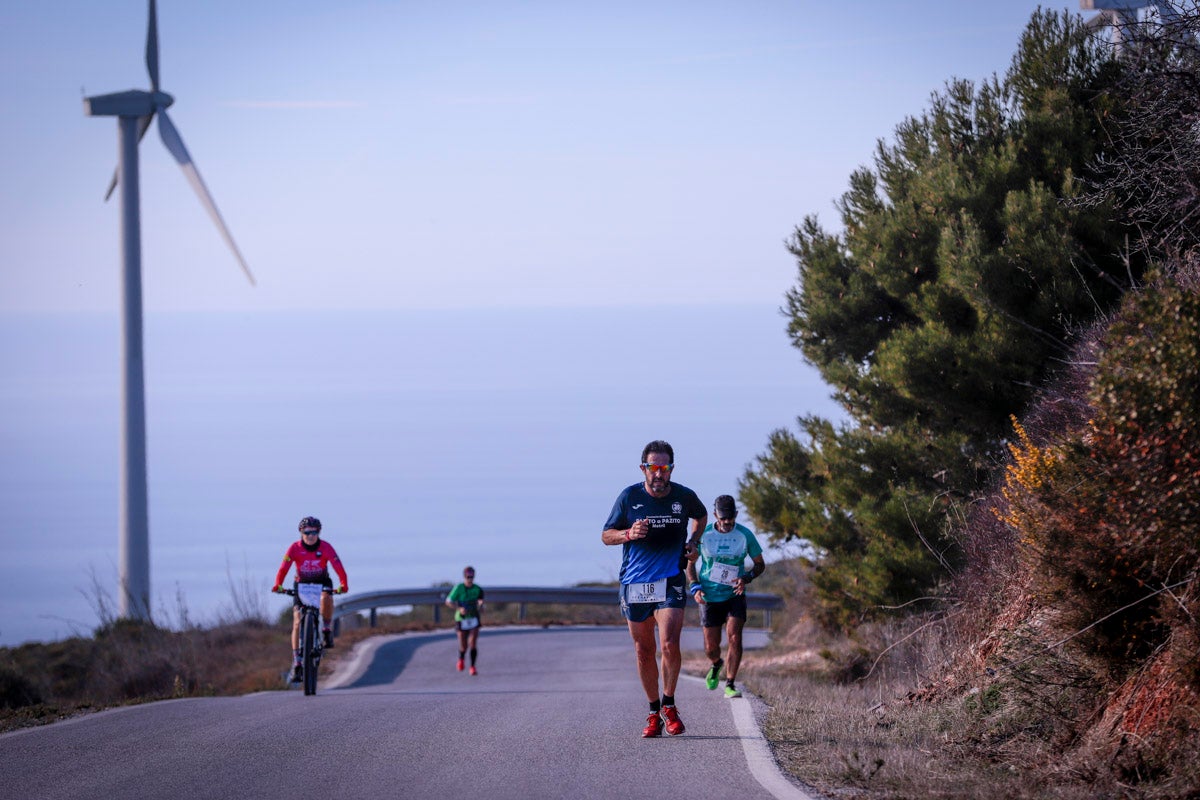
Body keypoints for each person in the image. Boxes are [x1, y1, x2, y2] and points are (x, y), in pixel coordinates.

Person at [602, 440, 707, 737]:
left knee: (669, 644)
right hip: (635, 583)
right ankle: (652, 711)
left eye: (664, 468)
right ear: (643, 469)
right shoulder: (629, 497)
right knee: (643, 650)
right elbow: (605, 535)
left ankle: (669, 704)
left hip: (670, 580)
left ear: (671, 469)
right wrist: (628, 533)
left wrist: (693, 542)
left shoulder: (684, 496)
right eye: (653, 468)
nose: (659, 474)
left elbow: (701, 516)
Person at [685, 495, 765, 699]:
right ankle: (716, 663)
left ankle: (730, 683)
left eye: (731, 520)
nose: (727, 524)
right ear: (715, 516)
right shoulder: (704, 535)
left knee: (735, 636)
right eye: (723, 520)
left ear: (736, 516)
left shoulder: (745, 535)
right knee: (711, 647)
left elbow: (759, 564)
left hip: (734, 594)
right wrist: (694, 587)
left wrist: (745, 578)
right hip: (709, 596)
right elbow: (690, 565)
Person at [272, 516, 349, 682]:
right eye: (307, 532)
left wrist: (343, 584)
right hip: (302, 584)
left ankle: (327, 629)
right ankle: (297, 660)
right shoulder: (294, 548)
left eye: (314, 532)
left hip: (321, 582)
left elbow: (338, 567)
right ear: (301, 533)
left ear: (319, 532)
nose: (310, 535)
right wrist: (278, 584)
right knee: (297, 621)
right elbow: (283, 568)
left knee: (327, 598)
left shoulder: (326, 547)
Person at [445, 566, 485, 676]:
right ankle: (461, 659)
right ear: (464, 577)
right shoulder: (458, 588)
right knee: (463, 645)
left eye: (472, 577)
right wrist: (459, 608)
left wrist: (481, 606)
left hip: (473, 618)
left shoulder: (478, 589)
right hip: (461, 619)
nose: (470, 579)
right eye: (468, 577)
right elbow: (448, 601)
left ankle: (472, 666)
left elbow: (481, 605)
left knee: (472, 643)